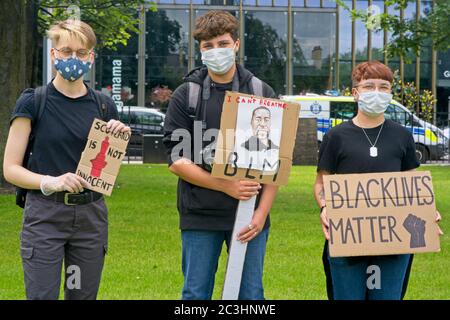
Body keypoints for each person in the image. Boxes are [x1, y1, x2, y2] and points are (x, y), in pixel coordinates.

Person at [3, 19, 130, 300]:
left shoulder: (104, 105)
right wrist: (52, 181)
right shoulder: (33, 101)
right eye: (66, 51)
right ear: (53, 54)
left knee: (80, 296)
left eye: (82, 53)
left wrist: (118, 139)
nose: (74, 58)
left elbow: (105, 172)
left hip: (90, 218)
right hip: (45, 216)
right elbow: (10, 169)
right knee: (42, 295)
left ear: (92, 57)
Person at [163, 10, 278, 300]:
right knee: (195, 294)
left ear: (236, 45)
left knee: (251, 295)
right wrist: (226, 185)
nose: (217, 51)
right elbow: (177, 161)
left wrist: (261, 214)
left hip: (249, 215)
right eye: (208, 46)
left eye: (223, 44)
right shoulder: (185, 94)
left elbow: (277, 162)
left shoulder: (261, 91)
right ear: (200, 50)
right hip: (199, 214)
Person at [313, 60, 443, 300]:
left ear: (390, 93)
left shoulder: (402, 135)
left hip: (394, 243)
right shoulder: (336, 136)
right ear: (355, 93)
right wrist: (325, 208)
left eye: (383, 87)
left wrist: (427, 210)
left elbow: (410, 182)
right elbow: (322, 182)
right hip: (347, 239)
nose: (376, 92)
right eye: (369, 86)